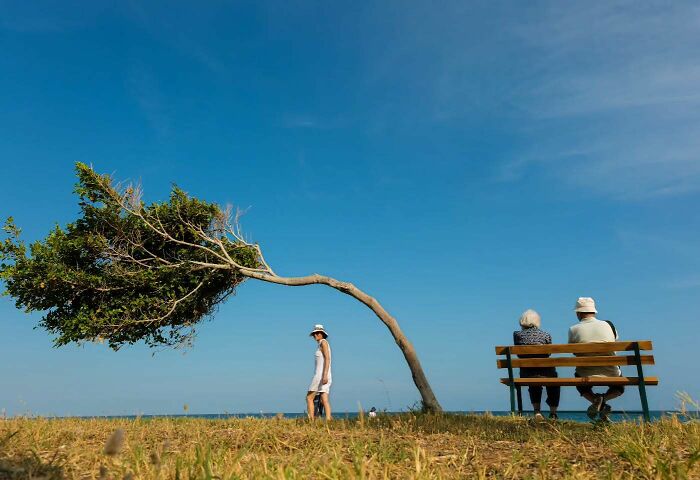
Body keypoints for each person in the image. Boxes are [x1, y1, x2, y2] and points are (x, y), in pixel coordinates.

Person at [568, 297, 623, 421]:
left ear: (578, 313)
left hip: (585, 372)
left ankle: (595, 400)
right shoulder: (608, 325)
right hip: (611, 372)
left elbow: (574, 351)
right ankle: (604, 399)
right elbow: (614, 343)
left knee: (581, 385)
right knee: (619, 387)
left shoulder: (573, 329)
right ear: (593, 311)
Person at [513, 309, 560, 420]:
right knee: (553, 382)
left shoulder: (517, 335)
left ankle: (537, 411)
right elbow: (548, 353)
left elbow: (519, 354)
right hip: (546, 372)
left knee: (533, 379)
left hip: (526, 373)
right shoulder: (546, 335)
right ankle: (553, 412)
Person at [306, 324, 332, 420]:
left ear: (322, 334)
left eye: (317, 333)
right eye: (314, 333)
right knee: (324, 399)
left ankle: (311, 420)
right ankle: (329, 421)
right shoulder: (321, 343)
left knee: (309, 398)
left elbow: (327, 358)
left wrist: (324, 375)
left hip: (321, 375)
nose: (315, 335)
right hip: (325, 375)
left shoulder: (323, 342)